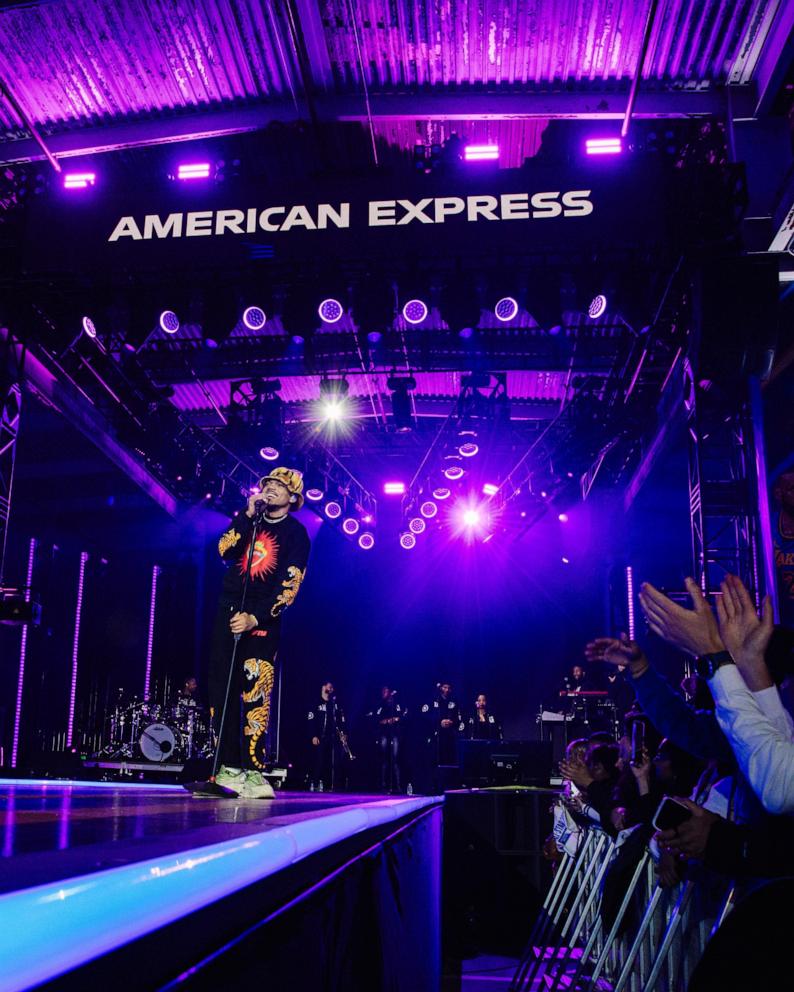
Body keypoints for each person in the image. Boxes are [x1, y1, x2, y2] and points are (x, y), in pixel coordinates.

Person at [208, 468, 310, 799]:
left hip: (262, 619)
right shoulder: (250, 521)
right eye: (267, 484)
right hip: (228, 610)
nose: (270, 489)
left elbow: (289, 587)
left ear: (293, 498)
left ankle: (254, 771)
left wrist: (256, 618)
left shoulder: (297, 534)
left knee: (255, 693)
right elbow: (224, 551)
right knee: (221, 690)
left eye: (279, 486)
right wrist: (245, 515)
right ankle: (226, 767)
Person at [308, 681, 349, 791]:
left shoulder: (334, 704)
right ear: (323, 687)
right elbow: (311, 720)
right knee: (319, 760)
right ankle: (315, 783)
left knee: (332, 761)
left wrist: (343, 733)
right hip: (320, 736)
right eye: (329, 686)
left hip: (332, 737)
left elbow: (341, 720)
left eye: (332, 687)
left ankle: (331, 785)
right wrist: (313, 735)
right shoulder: (316, 702)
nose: (331, 688)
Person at [367, 685, 405, 792]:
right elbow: (374, 717)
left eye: (386, 691)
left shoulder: (397, 704)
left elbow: (404, 715)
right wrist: (385, 721)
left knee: (396, 759)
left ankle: (398, 786)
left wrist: (397, 719)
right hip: (384, 734)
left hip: (395, 734)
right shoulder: (380, 705)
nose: (384, 693)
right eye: (382, 691)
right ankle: (383, 785)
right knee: (384, 759)